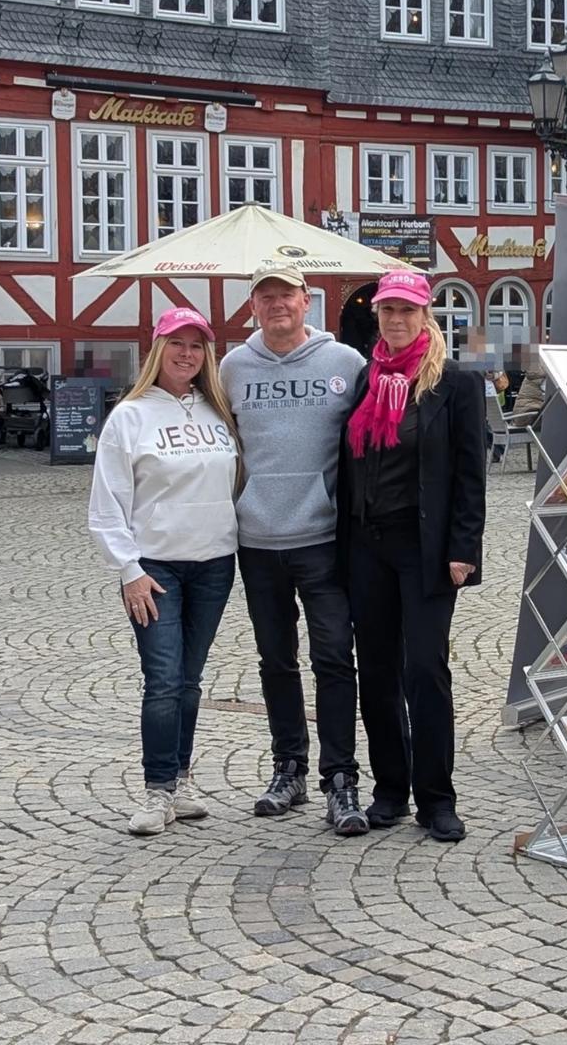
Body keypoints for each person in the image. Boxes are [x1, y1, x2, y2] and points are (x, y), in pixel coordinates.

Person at [218, 262, 370, 834]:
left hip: (324, 539)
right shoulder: (233, 367)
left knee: (333, 658)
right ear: (252, 307)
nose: (277, 304)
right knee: (276, 661)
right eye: (266, 296)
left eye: (287, 294)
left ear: (307, 302)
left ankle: (341, 779)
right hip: (257, 540)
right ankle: (289, 769)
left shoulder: (344, 363)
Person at [339, 271, 488, 842]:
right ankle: (389, 790)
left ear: (426, 316)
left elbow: (470, 474)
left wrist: (463, 549)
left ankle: (436, 798)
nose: (396, 320)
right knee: (376, 671)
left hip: (424, 549)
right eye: (387, 311)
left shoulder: (454, 384)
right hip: (367, 545)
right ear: (377, 316)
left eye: (406, 310)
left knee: (425, 670)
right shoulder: (366, 378)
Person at [88, 308, 242, 837]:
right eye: (176, 343)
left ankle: (180, 780)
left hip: (215, 563)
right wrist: (128, 569)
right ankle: (156, 789)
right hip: (154, 569)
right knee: (162, 681)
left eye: (196, 346)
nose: (186, 354)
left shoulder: (218, 412)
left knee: (190, 681)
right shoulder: (129, 417)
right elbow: (106, 505)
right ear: (157, 349)